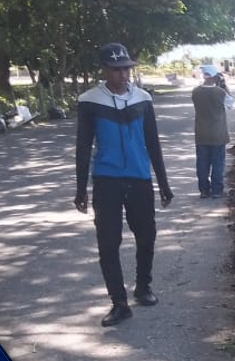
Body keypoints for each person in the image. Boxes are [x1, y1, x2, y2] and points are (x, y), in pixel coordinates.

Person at [74, 42, 174, 327]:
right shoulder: (90, 101)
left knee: (146, 236)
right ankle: (118, 303)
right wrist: (81, 188)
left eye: (126, 69)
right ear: (104, 69)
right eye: (117, 70)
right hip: (106, 180)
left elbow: (153, 143)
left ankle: (143, 287)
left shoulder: (142, 99)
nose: (123, 75)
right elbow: (83, 146)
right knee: (108, 242)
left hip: (139, 178)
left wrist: (163, 184)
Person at [191, 65, 234, 199]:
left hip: (201, 134)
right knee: (218, 163)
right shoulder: (221, 93)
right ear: (215, 77)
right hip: (218, 134)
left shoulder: (195, 92)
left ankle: (204, 190)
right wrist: (224, 86)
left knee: (202, 163)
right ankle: (216, 190)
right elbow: (230, 104)